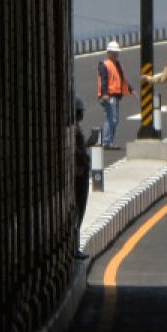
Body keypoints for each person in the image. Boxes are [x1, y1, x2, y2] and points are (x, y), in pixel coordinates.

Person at [96, 41, 132, 148]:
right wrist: (105, 94)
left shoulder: (117, 64)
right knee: (111, 119)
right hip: (109, 96)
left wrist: (130, 89)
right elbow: (103, 81)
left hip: (115, 96)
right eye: (114, 52)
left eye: (117, 52)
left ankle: (109, 141)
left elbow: (121, 79)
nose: (116, 54)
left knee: (114, 119)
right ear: (109, 52)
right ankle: (107, 142)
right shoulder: (105, 65)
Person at [73, 96, 91, 259]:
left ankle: (75, 247)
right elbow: (76, 152)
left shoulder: (75, 129)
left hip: (80, 174)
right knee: (78, 211)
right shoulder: (74, 131)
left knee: (79, 212)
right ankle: (74, 248)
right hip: (79, 176)